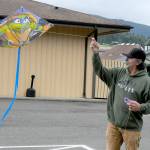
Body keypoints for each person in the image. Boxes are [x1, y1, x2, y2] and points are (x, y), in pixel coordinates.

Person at [90, 38, 150, 150]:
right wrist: (95, 54)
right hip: (113, 125)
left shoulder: (146, 82)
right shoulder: (120, 72)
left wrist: (140, 107)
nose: (126, 59)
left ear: (138, 62)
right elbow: (100, 71)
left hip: (132, 129)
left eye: (129, 57)